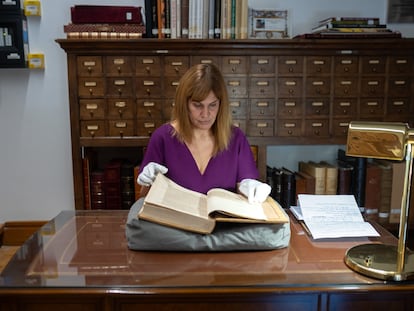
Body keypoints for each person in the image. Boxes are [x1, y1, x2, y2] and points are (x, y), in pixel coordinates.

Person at [137, 63, 271, 203]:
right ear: (184, 104)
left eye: (212, 105)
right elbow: (144, 200)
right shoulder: (163, 138)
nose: (205, 114)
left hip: (223, 223)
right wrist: (149, 183)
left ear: (221, 103)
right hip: (174, 223)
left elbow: (245, 188)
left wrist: (250, 188)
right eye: (197, 105)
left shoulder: (235, 138)